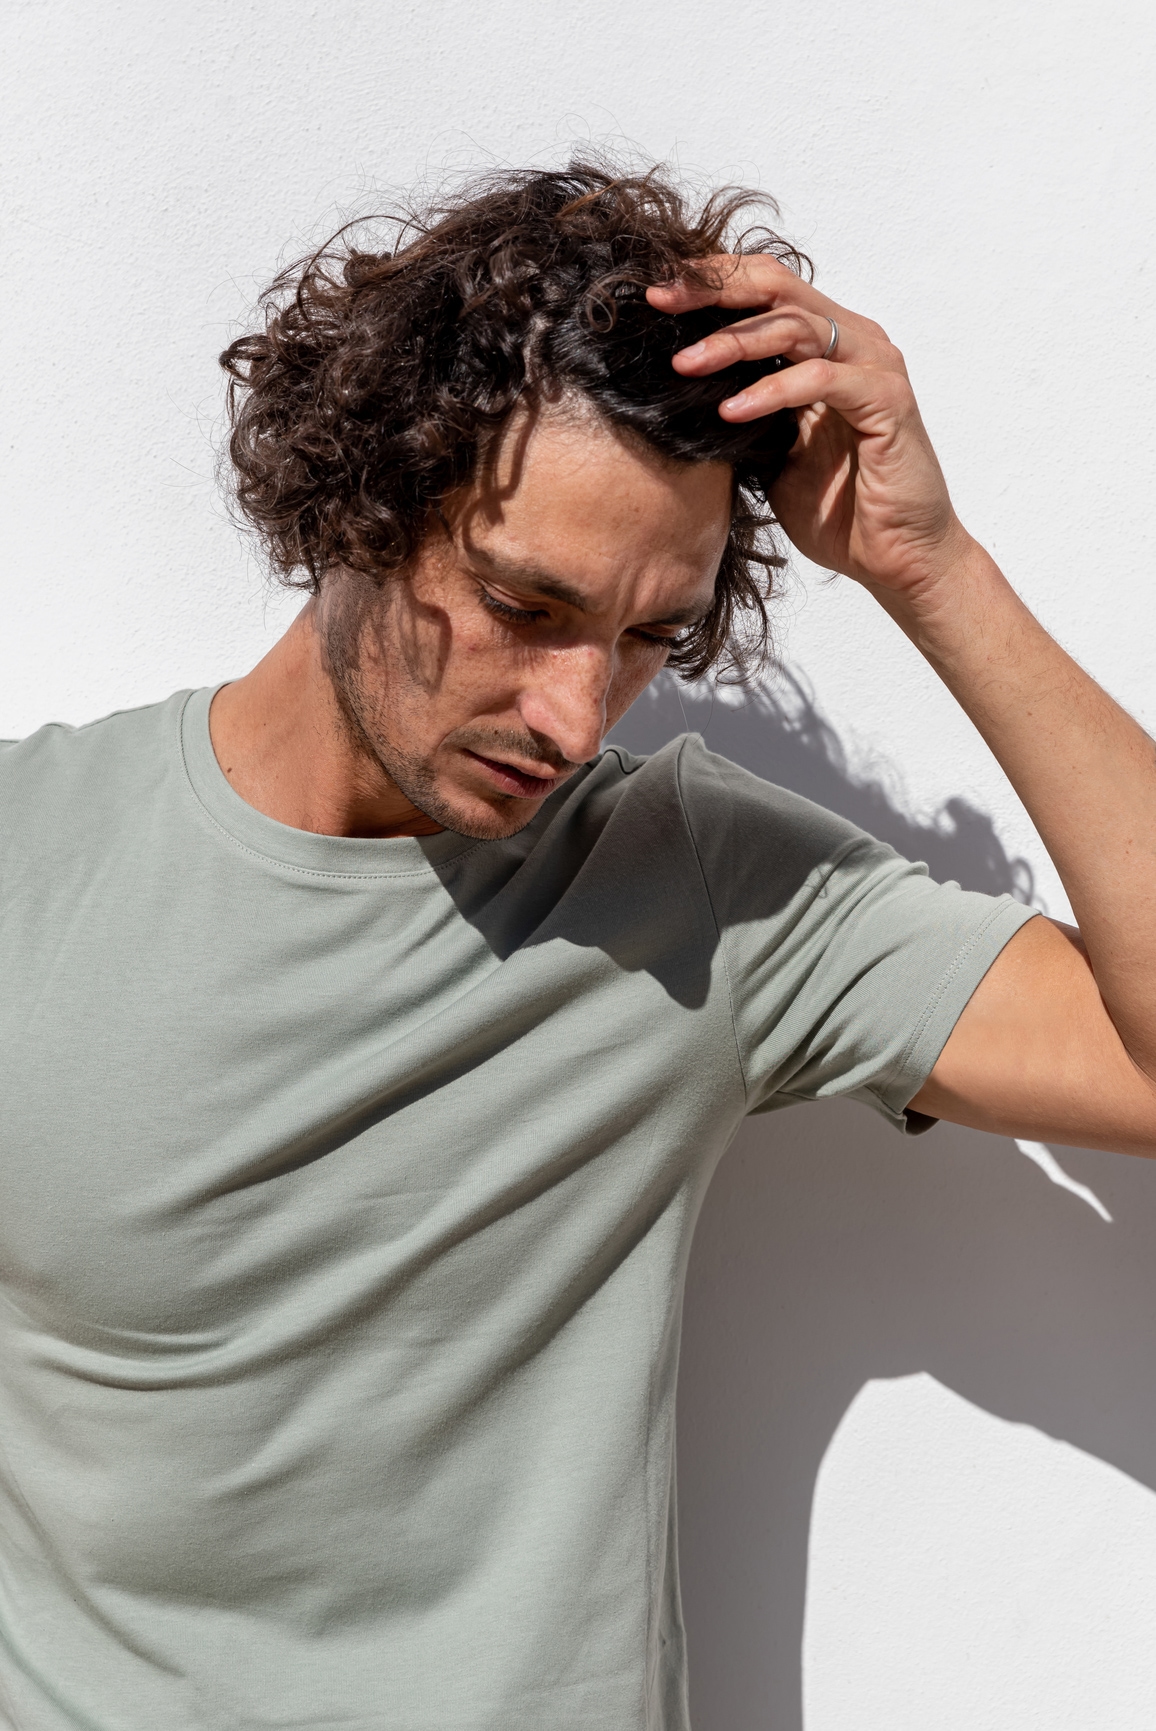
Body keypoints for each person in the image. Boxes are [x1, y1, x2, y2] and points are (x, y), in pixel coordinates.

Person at [1, 158, 1153, 1730]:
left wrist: (928, 570)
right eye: (525, 604)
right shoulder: (29, 856)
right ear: (358, 492)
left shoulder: (702, 888)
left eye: (644, 643)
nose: (573, 711)